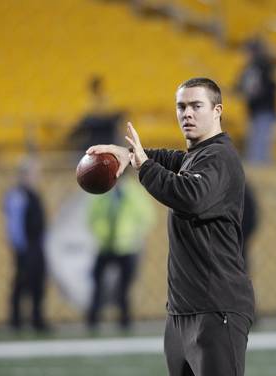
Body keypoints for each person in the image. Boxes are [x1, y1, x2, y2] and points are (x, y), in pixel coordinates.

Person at [87, 77, 255, 376]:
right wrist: (128, 154)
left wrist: (143, 167)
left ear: (217, 111)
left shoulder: (220, 157)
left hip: (215, 309)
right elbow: (172, 159)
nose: (187, 113)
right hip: (182, 312)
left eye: (196, 106)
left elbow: (190, 197)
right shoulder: (196, 156)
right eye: (181, 106)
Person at [86, 172, 156, 331]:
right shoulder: (102, 192)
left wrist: (136, 234)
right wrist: (101, 234)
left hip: (127, 246)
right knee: (98, 283)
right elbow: (92, 216)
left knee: (125, 286)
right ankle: (93, 319)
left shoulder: (133, 193)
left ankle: (124, 320)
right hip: (106, 245)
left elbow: (147, 216)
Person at [2, 157, 49, 332]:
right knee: (21, 284)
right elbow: (14, 225)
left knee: (38, 283)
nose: (36, 177)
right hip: (26, 247)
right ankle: (15, 321)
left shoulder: (34, 194)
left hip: (37, 246)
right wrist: (20, 248)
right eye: (33, 173)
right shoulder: (17, 195)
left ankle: (37, 319)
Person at [235, 37, 276, 164]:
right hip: (256, 111)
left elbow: (266, 89)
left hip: (265, 110)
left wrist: (246, 92)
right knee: (257, 141)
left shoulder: (263, 68)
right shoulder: (252, 69)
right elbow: (241, 87)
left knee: (260, 142)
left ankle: (260, 167)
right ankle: (259, 167)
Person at [69, 75, 126, 152]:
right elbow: (88, 116)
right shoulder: (89, 100)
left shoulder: (106, 98)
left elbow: (110, 112)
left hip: (107, 133)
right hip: (94, 134)